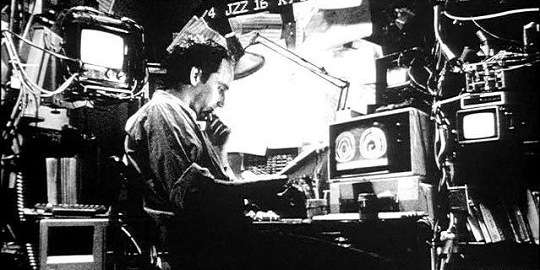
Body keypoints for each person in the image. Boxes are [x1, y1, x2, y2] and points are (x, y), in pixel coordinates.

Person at [124, 40, 394, 270]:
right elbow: (194, 195)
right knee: (358, 261)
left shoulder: (183, 119)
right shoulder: (163, 111)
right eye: (221, 88)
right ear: (196, 75)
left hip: (218, 244)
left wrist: (219, 151)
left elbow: (208, 188)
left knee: (348, 255)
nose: (222, 101)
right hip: (201, 251)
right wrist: (259, 189)